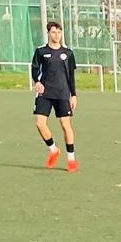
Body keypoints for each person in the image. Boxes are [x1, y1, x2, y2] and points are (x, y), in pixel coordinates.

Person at [30, 20, 79, 172]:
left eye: (59, 32)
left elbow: (71, 76)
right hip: (45, 93)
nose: (57, 35)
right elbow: (34, 70)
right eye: (53, 32)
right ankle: (53, 150)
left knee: (65, 125)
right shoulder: (40, 51)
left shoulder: (68, 53)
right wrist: (37, 82)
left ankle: (71, 159)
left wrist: (73, 95)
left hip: (62, 93)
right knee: (40, 123)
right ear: (48, 33)